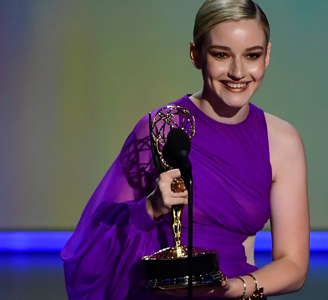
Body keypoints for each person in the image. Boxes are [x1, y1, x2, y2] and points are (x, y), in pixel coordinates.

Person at [60, 0, 310, 299]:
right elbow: (93, 247)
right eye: (221, 55)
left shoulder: (282, 141)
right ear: (196, 54)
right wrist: (150, 208)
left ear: (266, 56)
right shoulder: (159, 127)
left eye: (252, 56)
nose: (238, 71)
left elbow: (294, 264)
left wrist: (233, 288)